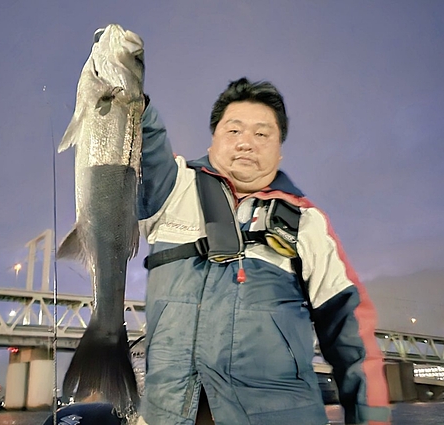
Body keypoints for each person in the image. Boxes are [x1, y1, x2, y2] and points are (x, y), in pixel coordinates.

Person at [137, 77, 391, 425]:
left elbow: (353, 335)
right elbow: (141, 144)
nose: (246, 144)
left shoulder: (307, 222)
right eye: (234, 131)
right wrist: (129, 91)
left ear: (279, 149)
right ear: (214, 138)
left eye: (262, 134)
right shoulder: (173, 187)